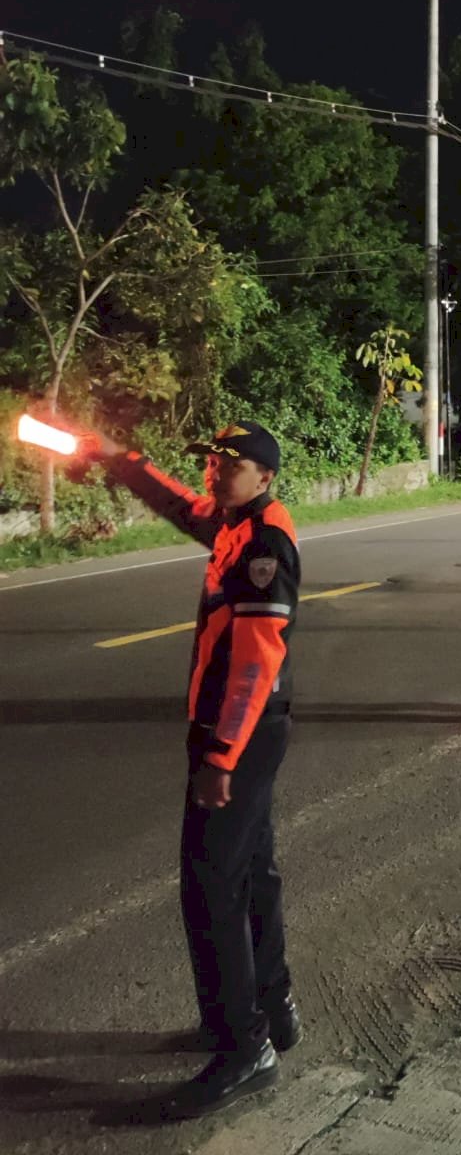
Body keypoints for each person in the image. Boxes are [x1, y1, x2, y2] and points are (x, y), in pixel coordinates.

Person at [85, 420, 301, 1119]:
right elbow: (179, 503)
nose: (215, 471)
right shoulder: (234, 524)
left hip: (239, 736)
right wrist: (121, 460)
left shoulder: (265, 543)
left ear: (264, 477)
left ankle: (242, 1049)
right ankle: (271, 1011)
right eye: (212, 460)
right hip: (244, 734)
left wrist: (219, 757)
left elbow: (257, 663)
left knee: (211, 889)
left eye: (231, 464)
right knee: (253, 873)